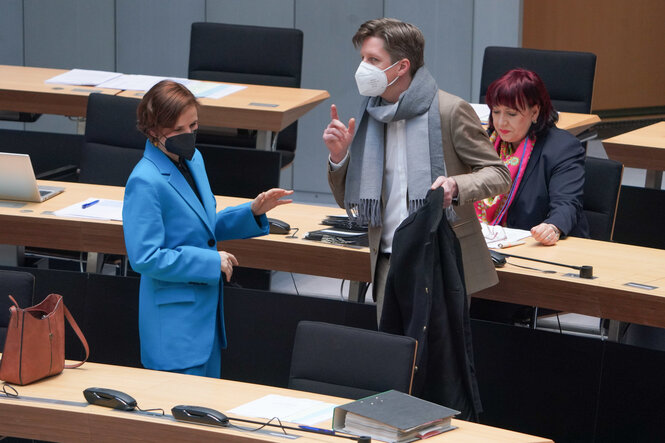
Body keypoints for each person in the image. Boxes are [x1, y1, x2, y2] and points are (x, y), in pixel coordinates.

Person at [324, 18, 511, 321]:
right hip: (387, 260)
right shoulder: (369, 117)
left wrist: (455, 186)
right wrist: (339, 156)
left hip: (440, 261)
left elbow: (499, 174)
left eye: (373, 60)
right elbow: (347, 200)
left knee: (438, 364)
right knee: (393, 361)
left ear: (401, 67)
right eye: (363, 59)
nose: (363, 69)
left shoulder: (449, 111)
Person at [123, 80, 292, 377]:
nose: (188, 135)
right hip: (174, 329)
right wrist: (210, 261)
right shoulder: (145, 181)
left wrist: (252, 211)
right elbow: (145, 258)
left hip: (205, 319)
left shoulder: (193, 160)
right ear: (152, 131)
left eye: (194, 126)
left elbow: (203, 225)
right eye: (178, 130)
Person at [475, 68, 590, 243]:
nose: (500, 122)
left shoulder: (562, 148)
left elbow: (567, 204)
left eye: (511, 114)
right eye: (496, 111)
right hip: (490, 245)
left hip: (540, 245)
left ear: (535, 112)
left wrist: (552, 227)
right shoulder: (487, 143)